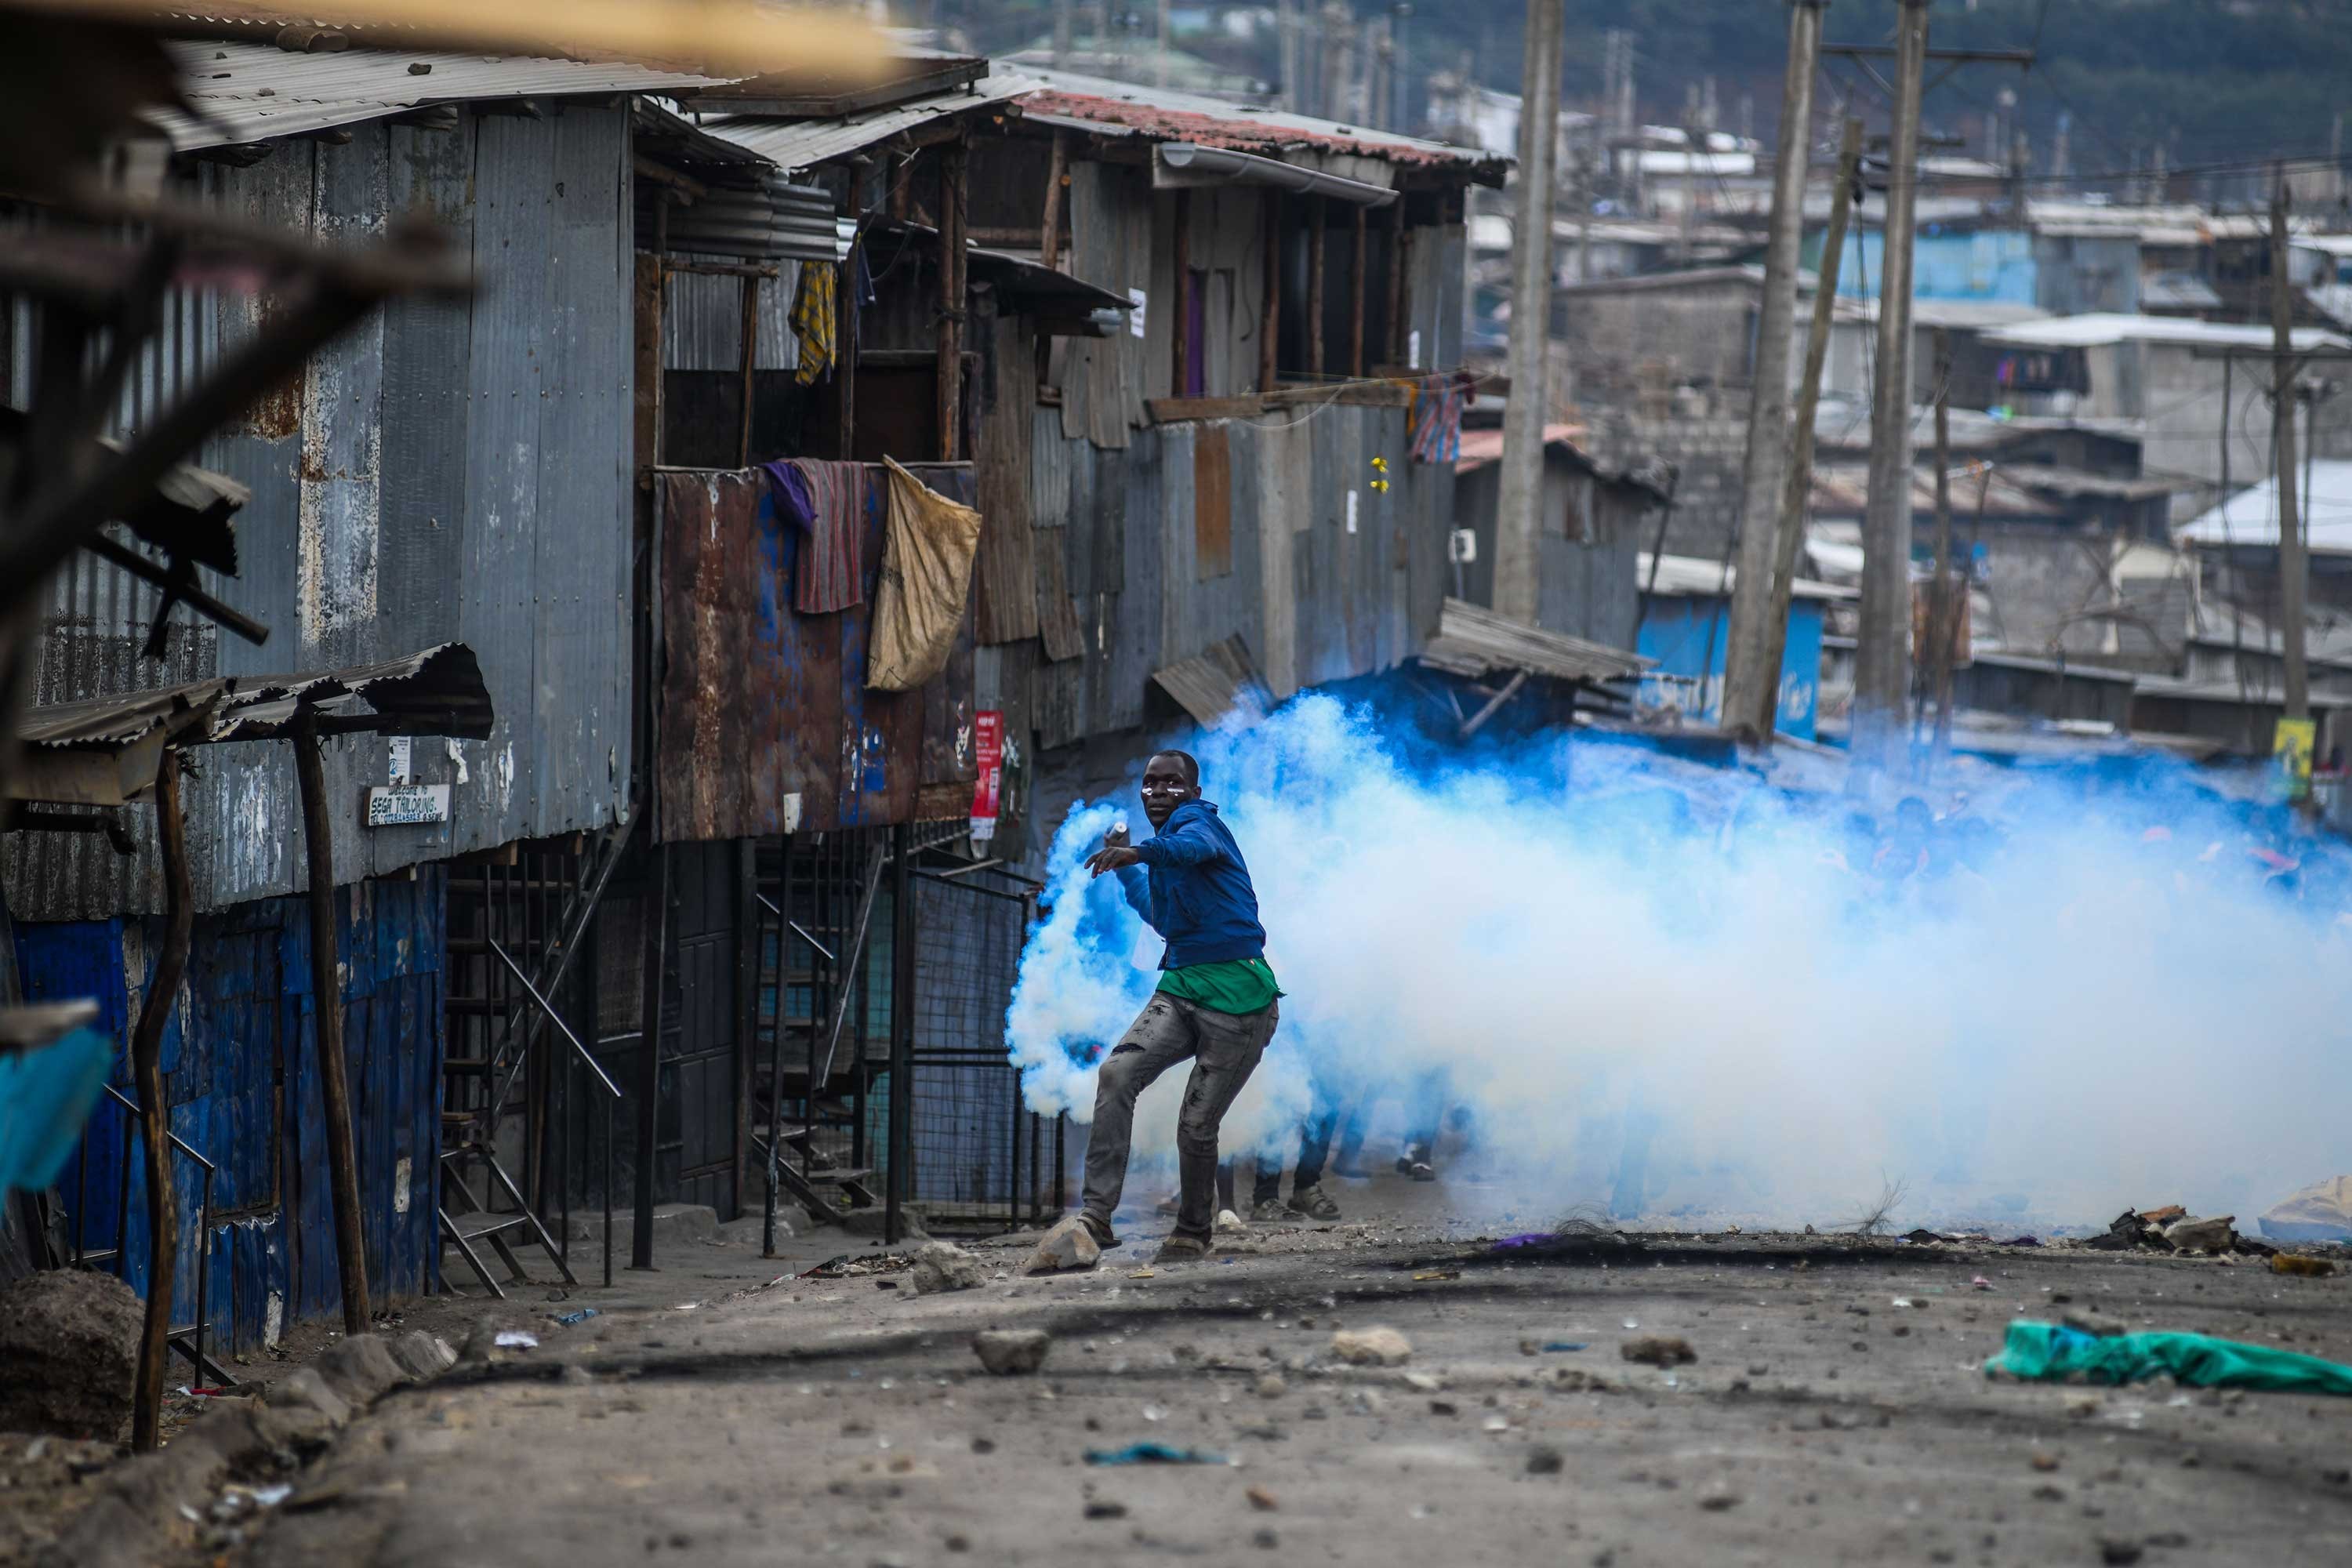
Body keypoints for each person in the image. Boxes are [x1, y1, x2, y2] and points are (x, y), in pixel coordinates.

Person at [1076, 750, 1282, 1264]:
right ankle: (1096, 1217)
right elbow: (1163, 918)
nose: (1158, 792)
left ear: (1192, 791)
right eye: (1149, 784)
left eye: (1171, 783)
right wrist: (1127, 866)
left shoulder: (1200, 824)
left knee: (1194, 1127)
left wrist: (1139, 854)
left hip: (1240, 1000)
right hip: (1182, 988)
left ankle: (1193, 1230)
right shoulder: (1163, 853)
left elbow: (1191, 848)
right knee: (1117, 1074)